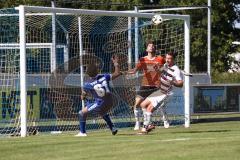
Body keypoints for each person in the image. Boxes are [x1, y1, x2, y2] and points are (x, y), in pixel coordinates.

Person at [75, 55, 121, 137]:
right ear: (97, 71)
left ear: (87, 73)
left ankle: (82, 132)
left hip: (100, 103)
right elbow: (117, 73)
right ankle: (113, 128)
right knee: (102, 112)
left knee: (81, 113)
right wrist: (116, 63)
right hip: (110, 101)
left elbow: (82, 96)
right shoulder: (105, 76)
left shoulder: (87, 84)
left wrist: (83, 96)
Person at [140, 52, 184, 133]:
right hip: (160, 90)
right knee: (143, 104)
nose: (167, 60)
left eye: (169, 58)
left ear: (173, 59)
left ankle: (144, 129)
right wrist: (157, 70)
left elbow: (181, 84)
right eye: (166, 58)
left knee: (149, 108)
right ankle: (149, 124)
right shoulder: (166, 66)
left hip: (166, 92)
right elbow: (161, 73)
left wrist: (173, 82)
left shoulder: (176, 70)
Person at [127, 40, 165, 130]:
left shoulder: (160, 59)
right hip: (145, 85)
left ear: (155, 48)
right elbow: (135, 70)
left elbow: (166, 67)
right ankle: (137, 123)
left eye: (153, 46)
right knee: (137, 104)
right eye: (149, 46)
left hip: (156, 86)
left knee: (151, 106)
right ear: (147, 49)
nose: (151, 47)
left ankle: (161, 120)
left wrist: (162, 70)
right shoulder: (142, 60)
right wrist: (126, 72)